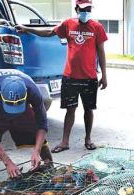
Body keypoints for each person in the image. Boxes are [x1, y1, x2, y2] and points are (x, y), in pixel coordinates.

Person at [15, 0, 108, 153]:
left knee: (88, 110)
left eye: (89, 9)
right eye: (83, 9)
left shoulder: (97, 27)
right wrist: (27, 29)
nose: (86, 12)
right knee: (70, 110)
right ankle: (64, 142)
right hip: (70, 77)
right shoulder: (68, 24)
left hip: (89, 78)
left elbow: (101, 52)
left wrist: (104, 75)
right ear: (76, 8)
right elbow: (48, 32)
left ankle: (88, 139)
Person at [0, 69, 53, 177]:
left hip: (23, 110)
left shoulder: (33, 90)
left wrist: (37, 151)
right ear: (0, 94)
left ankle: (52, 173)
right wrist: (8, 162)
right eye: (11, 105)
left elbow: (42, 123)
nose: (13, 110)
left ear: (26, 93)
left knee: (40, 141)